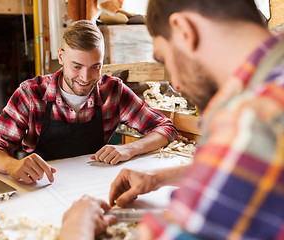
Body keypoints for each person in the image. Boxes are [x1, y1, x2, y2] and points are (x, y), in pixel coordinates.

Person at [59, 0, 284, 239]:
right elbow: (247, 170)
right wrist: (159, 178)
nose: (175, 84)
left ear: (184, 31)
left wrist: (76, 227)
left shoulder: (252, 117)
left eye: (165, 59)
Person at [0, 20, 177, 184]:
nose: (86, 77)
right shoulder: (31, 94)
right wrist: (12, 166)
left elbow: (166, 128)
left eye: (95, 67)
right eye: (77, 66)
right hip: (41, 185)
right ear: (61, 56)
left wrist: (129, 149)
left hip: (93, 184)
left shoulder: (113, 91)